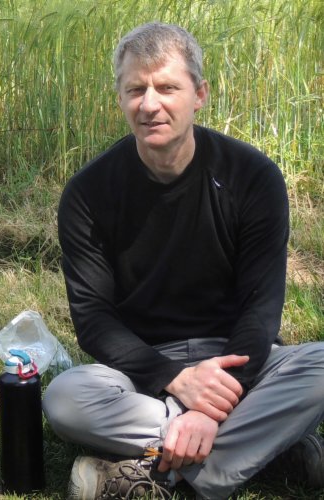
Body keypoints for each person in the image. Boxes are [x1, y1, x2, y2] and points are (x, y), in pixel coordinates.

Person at [42, 22, 324, 500]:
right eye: (136, 89)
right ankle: (267, 448)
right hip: (142, 371)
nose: (150, 104)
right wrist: (175, 380)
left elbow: (261, 310)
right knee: (65, 398)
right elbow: (94, 321)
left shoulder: (253, 177)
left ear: (200, 95)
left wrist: (210, 405)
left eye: (167, 87)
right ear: (120, 99)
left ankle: (164, 478)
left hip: (239, 361)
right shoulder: (87, 194)